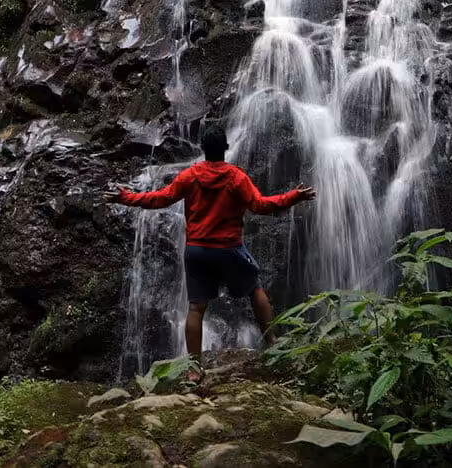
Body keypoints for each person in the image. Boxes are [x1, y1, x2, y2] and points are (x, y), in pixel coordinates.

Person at [105, 121, 315, 370]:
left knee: (195, 307)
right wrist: (294, 197)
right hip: (228, 249)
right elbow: (261, 205)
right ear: (226, 148)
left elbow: (160, 199)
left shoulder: (190, 176)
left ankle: (194, 369)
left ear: (203, 149)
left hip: (197, 251)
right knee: (255, 288)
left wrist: (126, 197)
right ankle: (271, 340)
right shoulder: (236, 178)